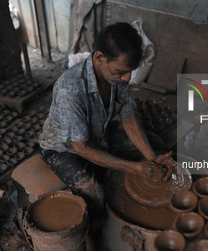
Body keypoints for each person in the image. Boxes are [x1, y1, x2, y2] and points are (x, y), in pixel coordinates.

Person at [38, 22, 176, 232]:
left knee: (155, 144)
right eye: (122, 71)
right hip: (64, 148)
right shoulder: (71, 88)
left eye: (130, 72)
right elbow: (81, 148)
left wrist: (151, 159)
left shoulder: (116, 78)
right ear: (100, 58)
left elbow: (129, 119)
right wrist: (136, 168)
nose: (127, 78)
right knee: (94, 191)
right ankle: (97, 230)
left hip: (99, 133)